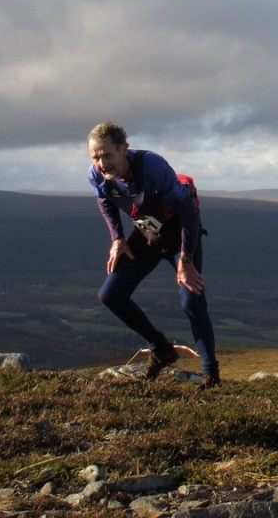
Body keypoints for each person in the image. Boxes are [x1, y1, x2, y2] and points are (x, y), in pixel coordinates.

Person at [87, 121, 219, 386]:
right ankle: (160, 349)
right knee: (110, 294)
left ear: (124, 148)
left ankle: (211, 375)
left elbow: (189, 212)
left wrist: (186, 259)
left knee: (191, 301)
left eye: (107, 155)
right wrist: (117, 238)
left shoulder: (152, 167)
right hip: (147, 233)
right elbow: (104, 201)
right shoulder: (97, 175)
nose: (102, 163)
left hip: (181, 234)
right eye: (96, 156)